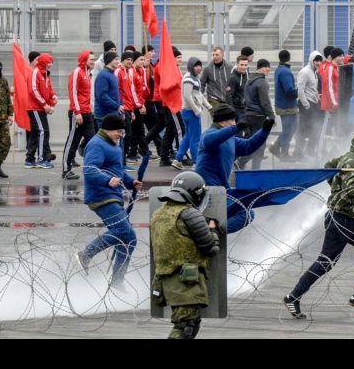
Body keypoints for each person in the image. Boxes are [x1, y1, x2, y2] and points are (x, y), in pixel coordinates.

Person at [283, 131, 354, 319]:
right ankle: (292, 297)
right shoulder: (352, 162)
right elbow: (352, 189)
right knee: (325, 262)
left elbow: (329, 166)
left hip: (352, 219)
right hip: (341, 220)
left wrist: (335, 184)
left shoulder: (353, 159)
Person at [150, 171, 222, 339]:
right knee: (184, 328)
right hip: (186, 283)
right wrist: (213, 230)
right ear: (196, 193)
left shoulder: (158, 214)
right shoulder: (189, 214)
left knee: (190, 324)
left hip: (164, 279)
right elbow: (211, 249)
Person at [75, 114, 142, 287]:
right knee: (123, 231)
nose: (121, 135)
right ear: (108, 129)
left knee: (129, 239)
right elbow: (89, 169)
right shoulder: (97, 144)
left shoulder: (113, 145)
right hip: (102, 197)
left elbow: (115, 170)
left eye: (122, 132)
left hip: (112, 195)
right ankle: (86, 254)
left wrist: (131, 182)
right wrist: (107, 180)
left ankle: (117, 281)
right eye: (119, 131)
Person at [195, 103, 271, 234]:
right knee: (245, 213)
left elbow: (248, 146)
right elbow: (210, 140)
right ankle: (211, 234)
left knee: (246, 213)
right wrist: (234, 129)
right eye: (233, 120)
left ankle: (212, 230)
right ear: (225, 120)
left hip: (222, 190)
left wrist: (264, 131)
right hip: (209, 190)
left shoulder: (230, 139)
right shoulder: (209, 134)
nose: (235, 123)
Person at [62, 51, 96, 180]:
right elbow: (73, 93)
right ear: (84, 60)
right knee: (72, 142)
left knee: (92, 140)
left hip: (87, 113)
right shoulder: (77, 72)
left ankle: (92, 167)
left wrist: (91, 108)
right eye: (91, 59)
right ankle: (66, 170)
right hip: (78, 113)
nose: (93, 62)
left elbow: (88, 94)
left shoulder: (88, 73)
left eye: (94, 59)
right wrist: (77, 112)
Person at [173, 57, 211, 170]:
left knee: (188, 137)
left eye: (200, 65)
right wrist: (196, 110)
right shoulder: (188, 78)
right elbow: (187, 96)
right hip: (190, 112)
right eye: (196, 65)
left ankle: (178, 159)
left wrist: (208, 106)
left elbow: (199, 94)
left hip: (189, 112)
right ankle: (196, 163)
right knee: (195, 139)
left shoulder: (195, 78)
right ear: (191, 66)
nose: (199, 68)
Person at [26, 53, 57, 169]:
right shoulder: (36, 73)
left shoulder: (45, 74)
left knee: (36, 132)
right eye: (49, 62)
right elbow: (33, 90)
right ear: (43, 62)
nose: (51, 64)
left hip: (39, 108)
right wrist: (45, 104)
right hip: (35, 108)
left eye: (51, 62)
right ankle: (41, 159)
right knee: (43, 131)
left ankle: (30, 159)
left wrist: (53, 97)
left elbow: (49, 90)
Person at [243, 58, 274, 169]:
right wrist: (272, 116)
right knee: (260, 144)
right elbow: (265, 102)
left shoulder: (249, 81)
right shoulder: (262, 82)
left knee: (250, 142)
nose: (268, 69)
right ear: (260, 68)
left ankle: (240, 162)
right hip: (259, 116)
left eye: (269, 67)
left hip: (248, 115)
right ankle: (255, 169)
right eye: (266, 67)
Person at [269, 49, 298, 161]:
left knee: (291, 128)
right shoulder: (286, 72)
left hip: (282, 105)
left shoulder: (279, 69)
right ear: (289, 58)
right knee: (289, 129)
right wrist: (299, 91)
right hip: (288, 106)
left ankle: (276, 147)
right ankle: (284, 153)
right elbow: (289, 90)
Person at [294, 51, 323, 158]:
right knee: (302, 130)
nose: (318, 63)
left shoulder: (314, 72)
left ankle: (308, 152)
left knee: (313, 129)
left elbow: (311, 89)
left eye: (320, 61)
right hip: (306, 105)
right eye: (316, 60)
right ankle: (298, 153)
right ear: (311, 60)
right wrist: (307, 105)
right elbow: (300, 90)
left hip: (313, 104)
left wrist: (317, 96)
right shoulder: (305, 72)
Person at [317, 47, 344, 157]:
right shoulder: (330, 68)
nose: (342, 58)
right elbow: (328, 87)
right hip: (331, 106)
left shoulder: (336, 68)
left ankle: (333, 153)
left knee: (334, 130)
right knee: (325, 129)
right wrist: (334, 103)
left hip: (335, 104)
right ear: (335, 57)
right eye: (340, 56)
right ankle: (320, 154)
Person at [127, 51, 149, 163]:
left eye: (143, 59)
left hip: (138, 104)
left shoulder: (140, 70)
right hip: (133, 105)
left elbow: (141, 90)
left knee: (138, 129)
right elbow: (132, 91)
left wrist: (142, 103)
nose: (143, 61)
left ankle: (137, 152)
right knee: (136, 130)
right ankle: (139, 152)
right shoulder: (131, 72)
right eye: (141, 59)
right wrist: (139, 105)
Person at [140, 45, 161, 160]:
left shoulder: (151, 66)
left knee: (153, 126)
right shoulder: (143, 66)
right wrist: (144, 67)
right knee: (148, 127)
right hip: (143, 101)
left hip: (150, 100)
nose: (153, 53)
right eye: (151, 51)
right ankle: (143, 149)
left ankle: (158, 148)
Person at [93, 51, 122, 129]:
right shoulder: (103, 75)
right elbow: (102, 96)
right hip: (104, 116)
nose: (118, 62)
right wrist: (116, 106)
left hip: (112, 114)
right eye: (116, 59)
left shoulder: (112, 74)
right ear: (110, 60)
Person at [201, 46, 230, 111]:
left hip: (227, 100)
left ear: (222, 55)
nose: (214, 57)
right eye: (213, 55)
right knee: (218, 115)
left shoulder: (229, 67)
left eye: (217, 55)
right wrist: (198, 98)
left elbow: (233, 82)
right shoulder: (207, 69)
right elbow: (202, 84)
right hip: (213, 100)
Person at [226, 55, 249, 124]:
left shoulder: (247, 76)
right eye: (242, 65)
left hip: (245, 109)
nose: (244, 67)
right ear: (237, 65)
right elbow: (228, 96)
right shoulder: (233, 78)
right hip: (237, 110)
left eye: (245, 65)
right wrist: (233, 112)